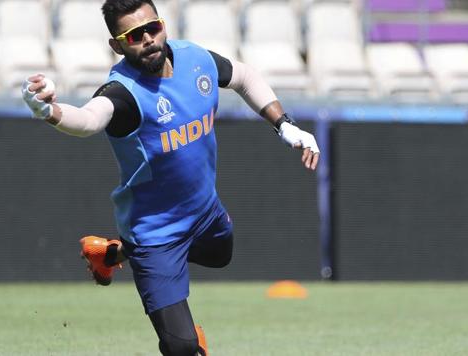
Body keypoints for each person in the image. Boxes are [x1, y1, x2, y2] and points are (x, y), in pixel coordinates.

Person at [21, 1, 320, 354]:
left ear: (164, 26)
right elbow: (88, 120)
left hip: (205, 212)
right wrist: (48, 110)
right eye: (134, 35)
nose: (147, 39)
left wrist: (284, 124)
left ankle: (112, 254)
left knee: (221, 254)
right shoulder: (123, 92)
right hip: (155, 233)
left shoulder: (195, 59)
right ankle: (132, 256)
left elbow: (243, 77)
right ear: (117, 46)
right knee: (181, 348)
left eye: (153, 28)